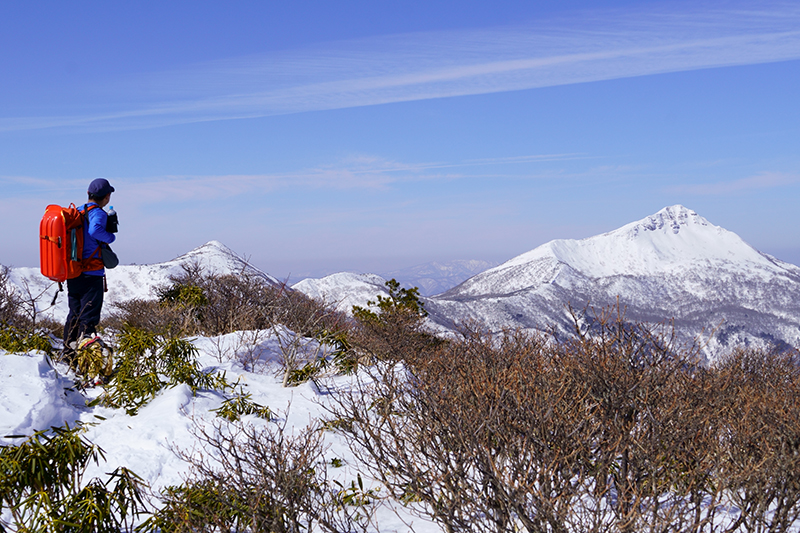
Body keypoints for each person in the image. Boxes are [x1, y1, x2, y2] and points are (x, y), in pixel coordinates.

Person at [62, 178, 117, 362]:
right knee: (89, 318)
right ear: (107, 197)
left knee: (75, 313)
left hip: (74, 271)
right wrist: (110, 237)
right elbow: (95, 231)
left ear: (88, 194)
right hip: (92, 273)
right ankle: (87, 361)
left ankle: (68, 355)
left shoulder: (77, 211)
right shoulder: (98, 214)